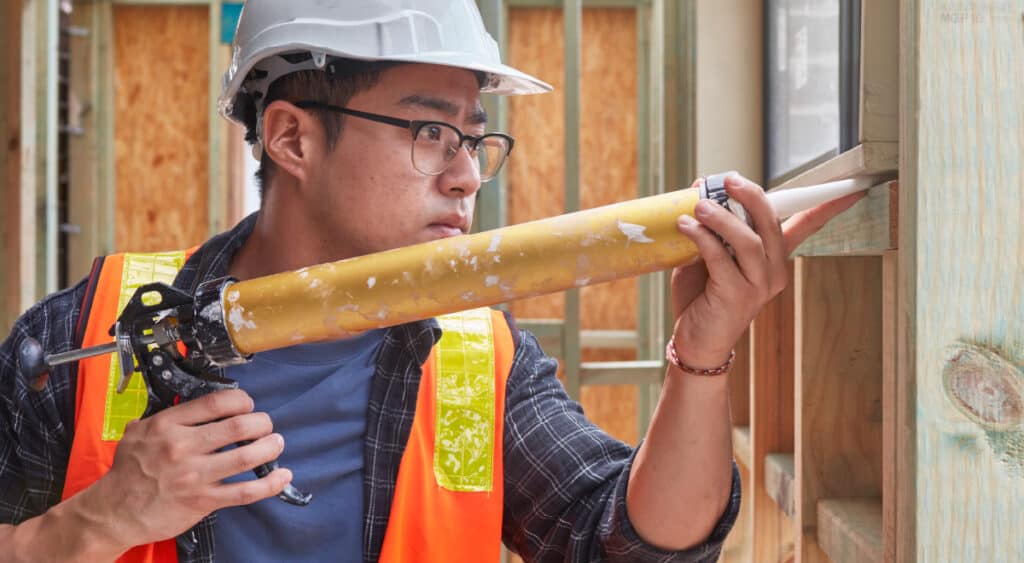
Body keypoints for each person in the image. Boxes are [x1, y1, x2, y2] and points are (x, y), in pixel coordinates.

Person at [0, 1, 864, 562]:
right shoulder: (88, 335)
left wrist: (701, 357)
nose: (465, 176)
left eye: (474, 139)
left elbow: (626, 545)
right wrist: (97, 521)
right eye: (428, 133)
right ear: (293, 139)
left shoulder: (474, 354)